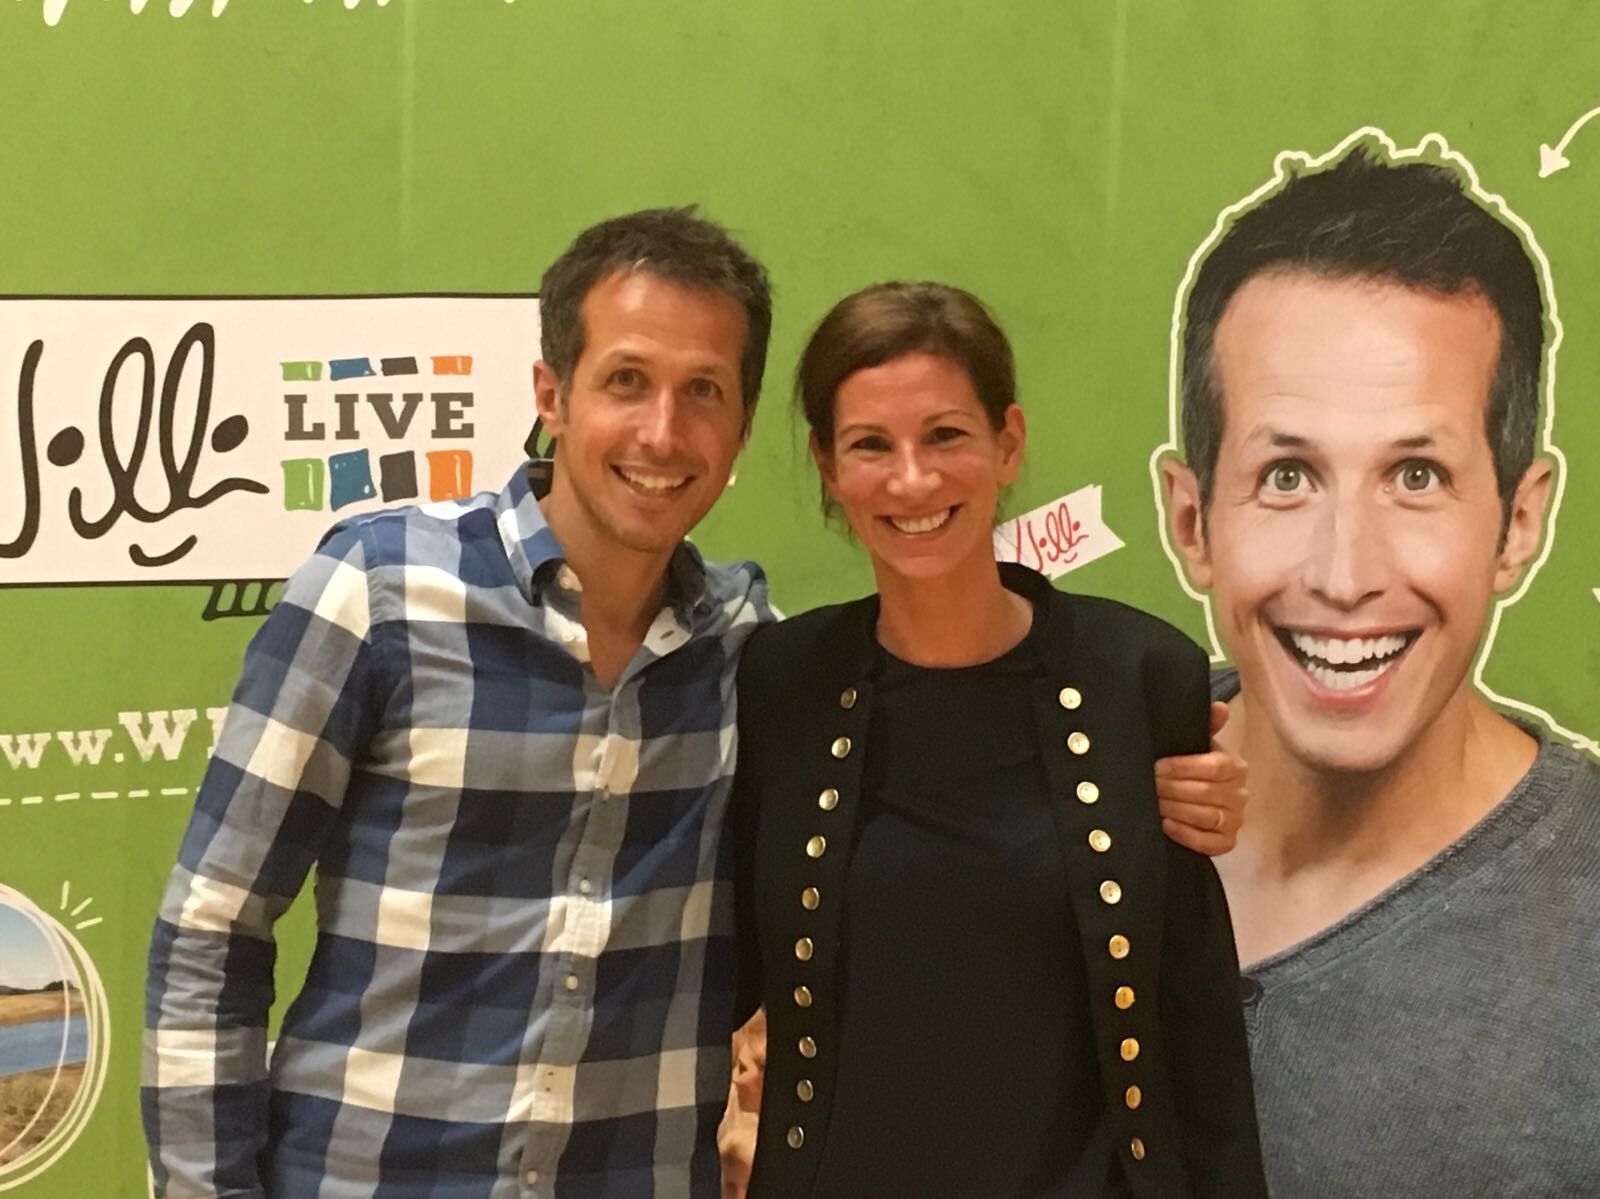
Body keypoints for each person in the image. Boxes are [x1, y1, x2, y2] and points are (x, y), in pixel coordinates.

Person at [142, 208, 1244, 1199]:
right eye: (626, 380)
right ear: (551, 394)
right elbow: (212, 929)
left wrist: (1170, 786)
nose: (663, 432)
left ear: (742, 424)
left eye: (703, 391)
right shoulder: (382, 592)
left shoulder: (747, 652)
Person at [728, 282, 1266, 1198]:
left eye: (945, 435)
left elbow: (1197, 1023)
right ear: (827, 464)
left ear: (1007, 440)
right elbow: (725, 950)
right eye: (870, 445)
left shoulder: (1139, 675)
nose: (912, 480)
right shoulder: (785, 683)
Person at [1160, 144, 1600, 1196]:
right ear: (1192, 520)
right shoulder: (1055, 803)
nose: (1344, 574)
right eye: (1286, 475)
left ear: (1518, 522)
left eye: (1416, 475)